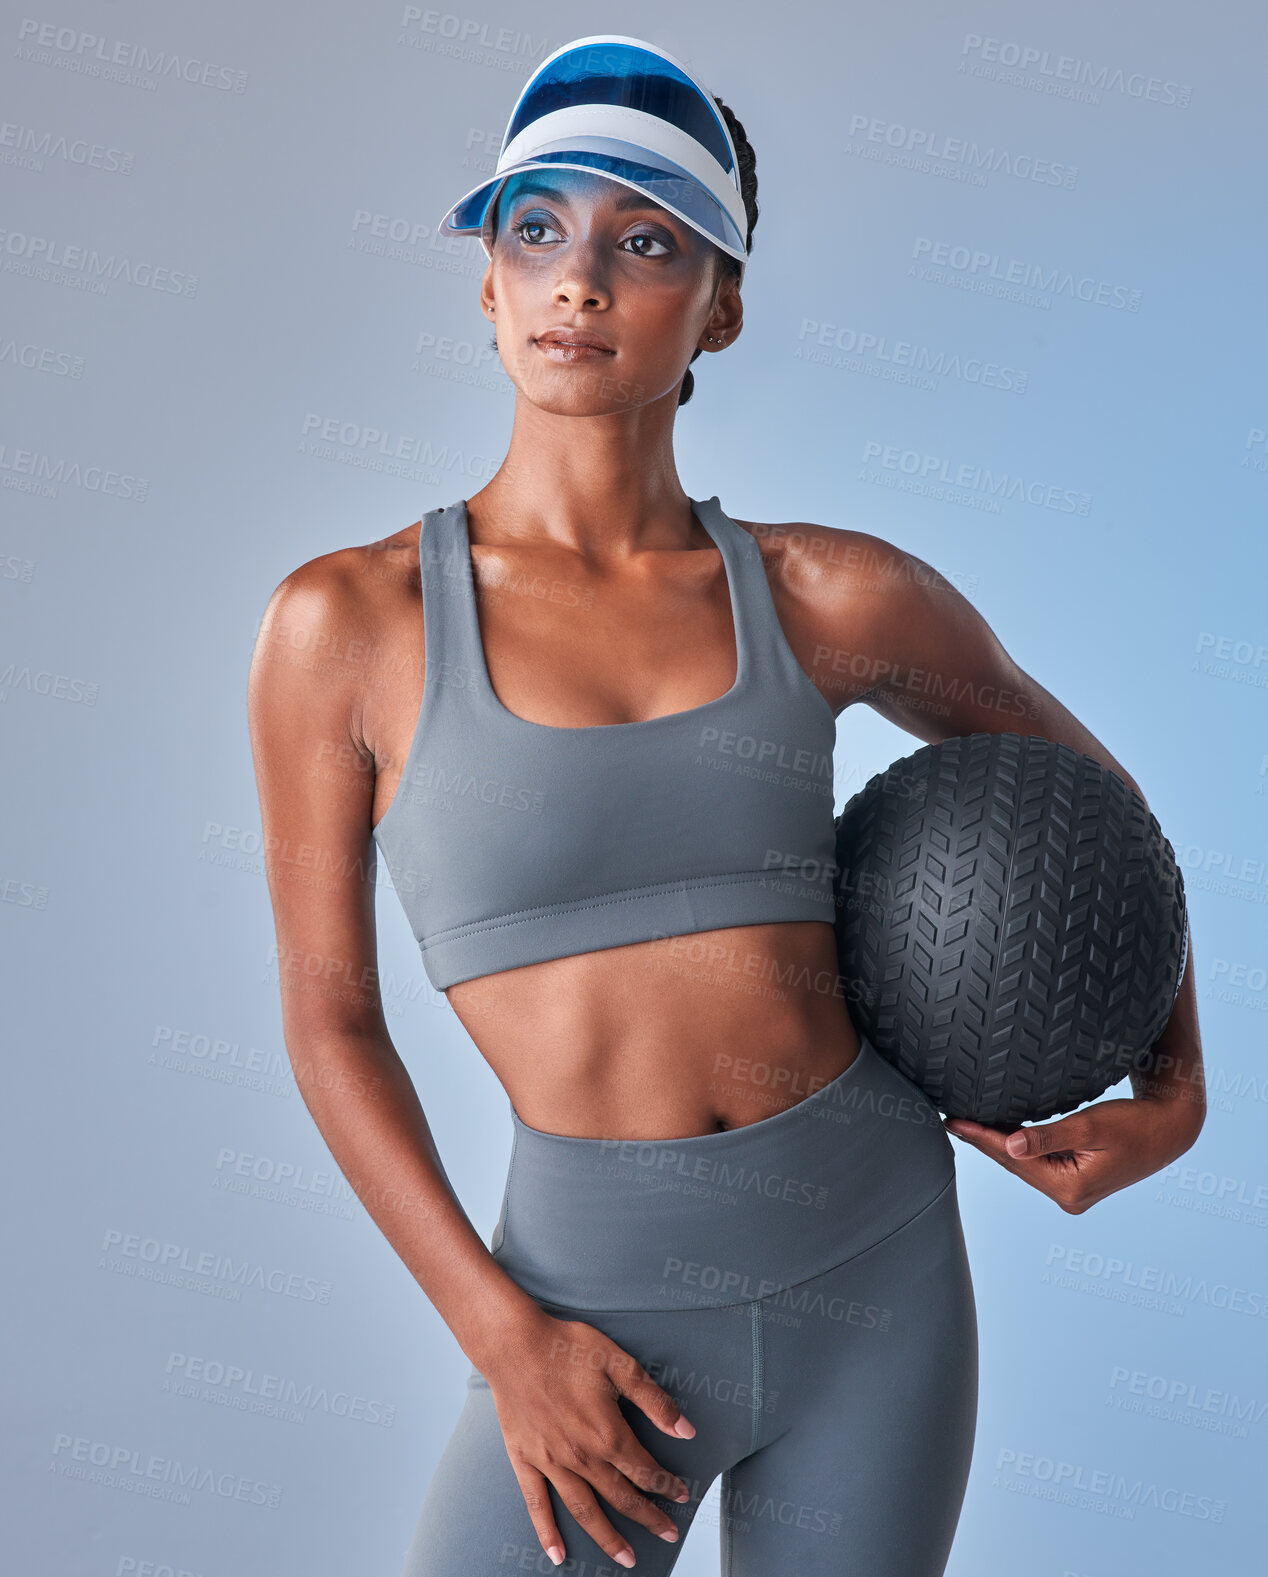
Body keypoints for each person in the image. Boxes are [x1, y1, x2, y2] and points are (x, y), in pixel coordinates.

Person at [246, 34, 1205, 1576]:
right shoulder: (346, 627)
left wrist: (1176, 1086)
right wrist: (506, 1339)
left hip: (876, 1271)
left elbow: (1099, 813)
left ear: (723, 304)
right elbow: (327, 1025)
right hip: (585, 1314)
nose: (580, 281)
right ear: (486, 284)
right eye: (535, 229)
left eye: (647, 242)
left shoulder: (828, 593)